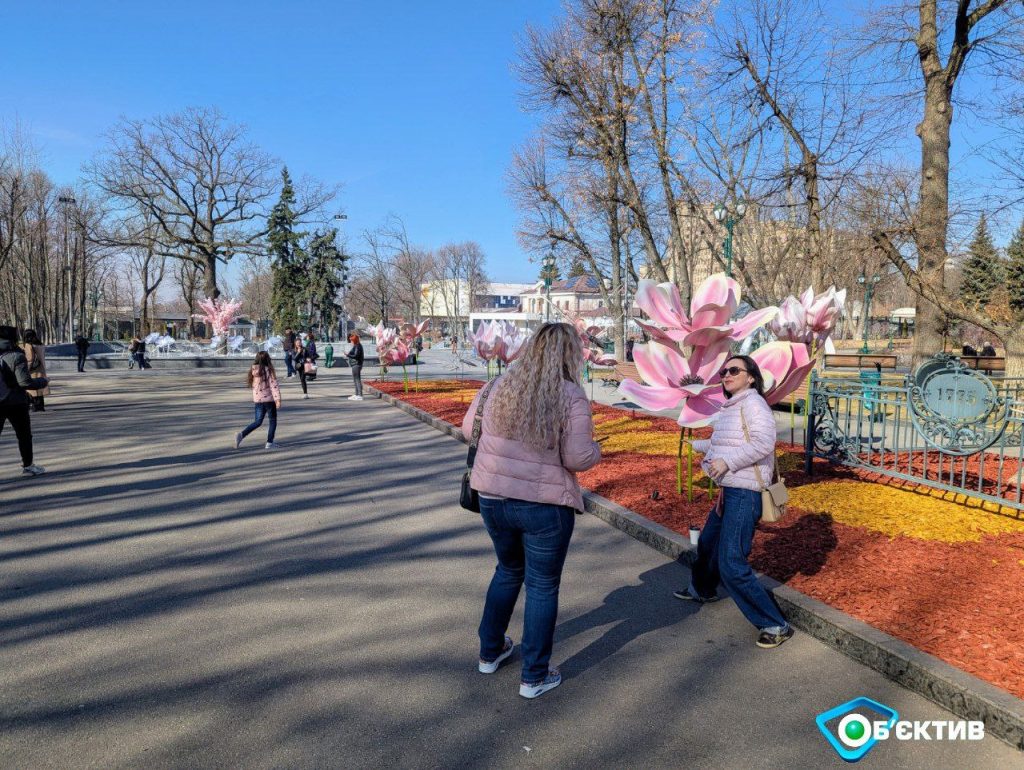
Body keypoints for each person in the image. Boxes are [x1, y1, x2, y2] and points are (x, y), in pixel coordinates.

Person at [462, 322, 602, 699]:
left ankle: (490, 653)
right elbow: (577, 457)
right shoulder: (570, 395)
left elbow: (466, 429)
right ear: (570, 354)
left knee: (507, 571)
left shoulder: (498, 385)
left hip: (493, 497)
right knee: (542, 585)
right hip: (544, 506)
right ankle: (533, 676)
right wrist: (597, 449)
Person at [678, 354, 793, 649]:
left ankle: (774, 624)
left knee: (731, 561)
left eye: (733, 370)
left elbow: (763, 444)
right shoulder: (732, 405)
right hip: (730, 490)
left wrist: (727, 462)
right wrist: (699, 445)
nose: (726, 375)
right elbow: (726, 441)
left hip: (745, 493)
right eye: (723, 371)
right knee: (708, 544)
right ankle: (703, 588)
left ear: (751, 376)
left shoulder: (754, 404)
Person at [0, 326, 47, 476]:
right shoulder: (16, 356)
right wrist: (42, 381)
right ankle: (28, 465)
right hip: (15, 403)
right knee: (24, 435)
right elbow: (25, 383)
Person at [234, 351, 282, 450]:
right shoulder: (268, 370)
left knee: (258, 421)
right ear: (267, 359)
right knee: (272, 420)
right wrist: (278, 399)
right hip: (269, 400)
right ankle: (269, 442)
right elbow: (274, 386)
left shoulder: (253, 371)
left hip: (258, 400)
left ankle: (241, 435)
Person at [22, 329, 49, 412]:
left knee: (32, 388)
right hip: (41, 368)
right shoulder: (39, 344)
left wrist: (26, 368)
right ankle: (40, 406)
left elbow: (30, 359)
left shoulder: (28, 345)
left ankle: (35, 406)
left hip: (33, 370)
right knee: (40, 387)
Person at [346, 332, 364, 401]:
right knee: (355, 380)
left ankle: (359, 395)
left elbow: (356, 356)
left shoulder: (358, 346)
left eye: (351, 340)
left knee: (357, 380)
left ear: (354, 340)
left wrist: (348, 355)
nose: (350, 342)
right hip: (355, 364)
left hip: (357, 364)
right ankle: (357, 394)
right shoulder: (356, 346)